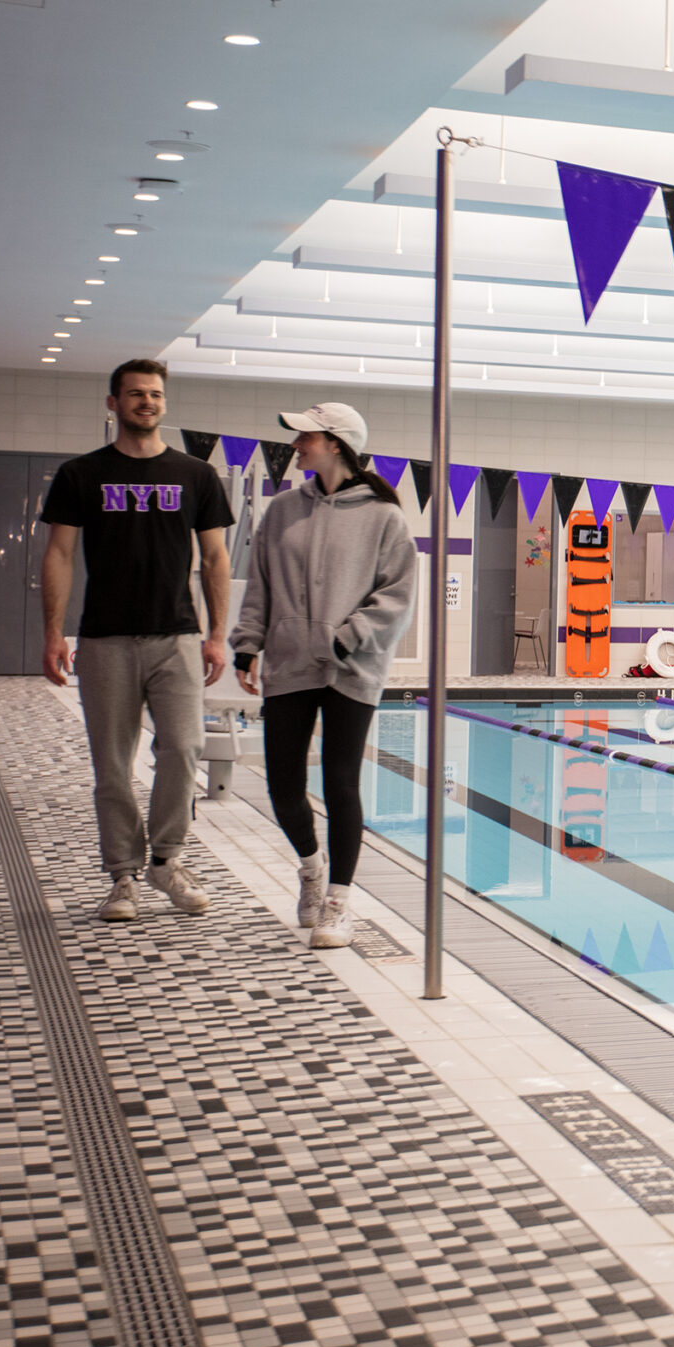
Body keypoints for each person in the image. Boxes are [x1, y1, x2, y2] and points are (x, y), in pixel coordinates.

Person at [40, 359, 235, 921]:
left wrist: (217, 633)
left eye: (154, 394)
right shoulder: (81, 475)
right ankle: (122, 875)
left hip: (176, 636)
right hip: (104, 639)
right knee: (112, 762)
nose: (146, 402)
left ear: (164, 404)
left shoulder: (196, 475)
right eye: (134, 394)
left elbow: (215, 557)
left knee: (182, 747)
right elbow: (59, 553)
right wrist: (54, 632)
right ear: (113, 403)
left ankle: (166, 861)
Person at [232, 402, 417, 949]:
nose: (295, 443)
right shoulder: (284, 509)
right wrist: (247, 646)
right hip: (289, 661)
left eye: (304, 435)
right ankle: (311, 868)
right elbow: (260, 584)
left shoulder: (384, 516)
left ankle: (338, 901)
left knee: (340, 783)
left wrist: (348, 635)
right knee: (283, 787)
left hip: (350, 667)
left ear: (335, 443)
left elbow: (398, 595)